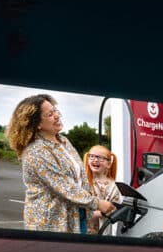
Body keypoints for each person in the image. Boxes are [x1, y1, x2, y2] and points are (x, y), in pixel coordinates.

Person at [7, 94, 115, 233]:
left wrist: (89, 210)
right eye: (50, 114)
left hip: (76, 215)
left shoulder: (64, 141)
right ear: (37, 124)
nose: (57, 116)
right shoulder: (35, 151)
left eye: (55, 111)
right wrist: (97, 203)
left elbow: (79, 178)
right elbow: (64, 186)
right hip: (51, 222)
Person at [83, 145, 122, 235]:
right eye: (92, 156)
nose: (95, 160)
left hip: (103, 232)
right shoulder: (82, 182)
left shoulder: (114, 186)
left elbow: (113, 209)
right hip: (83, 231)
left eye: (101, 158)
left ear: (108, 164)